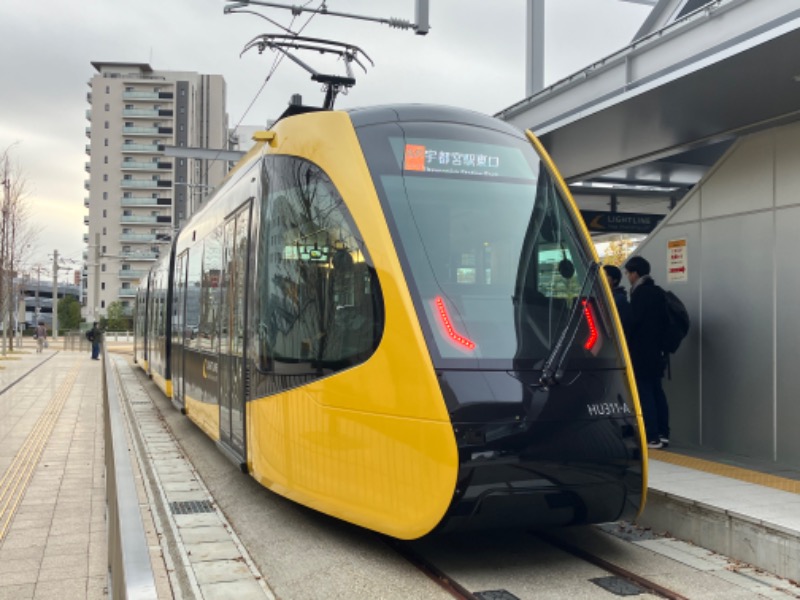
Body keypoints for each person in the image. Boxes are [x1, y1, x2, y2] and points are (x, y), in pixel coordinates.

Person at [623, 255, 670, 449]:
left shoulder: (640, 294)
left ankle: (651, 437)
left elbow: (634, 323)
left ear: (635, 273)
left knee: (645, 392)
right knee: (657, 391)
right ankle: (663, 432)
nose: (628, 277)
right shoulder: (658, 292)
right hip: (658, 351)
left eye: (628, 273)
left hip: (642, 352)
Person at [603, 264, 630, 329]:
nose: (602, 278)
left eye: (605, 276)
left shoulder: (619, 299)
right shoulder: (604, 297)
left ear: (615, 280)